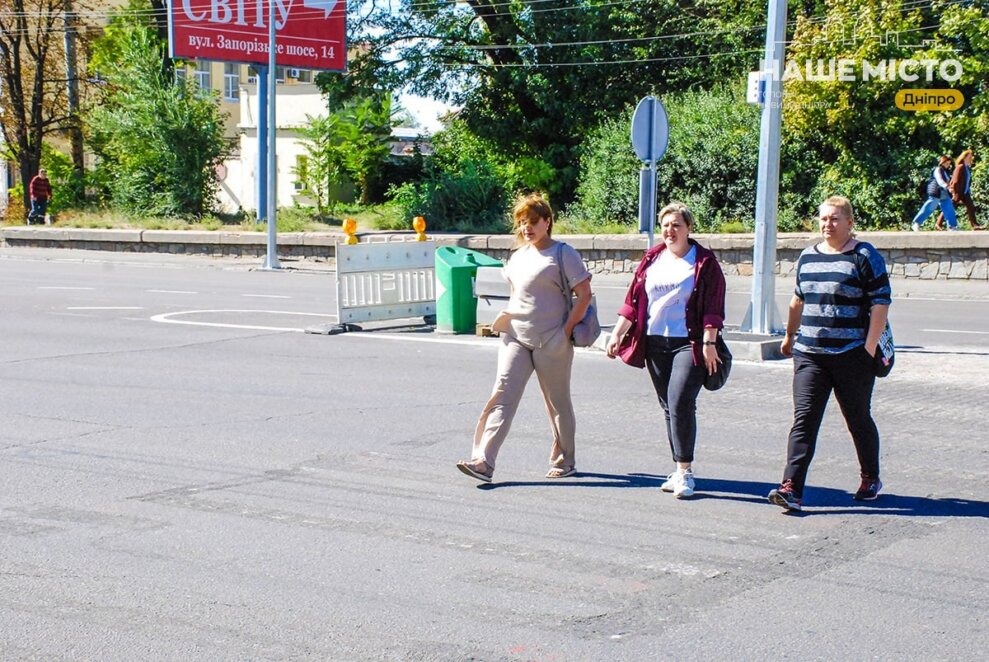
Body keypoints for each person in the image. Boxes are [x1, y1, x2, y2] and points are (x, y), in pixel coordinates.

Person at [456, 193, 592, 483]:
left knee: (557, 403)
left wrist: (566, 331)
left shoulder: (562, 253)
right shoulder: (518, 256)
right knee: (502, 397)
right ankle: (484, 461)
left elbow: (585, 295)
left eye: (532, 222)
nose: (526, 228)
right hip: (516, 336)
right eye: (521, 223)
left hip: (552, 340)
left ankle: (565, 460)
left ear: (547, 222)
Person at [768, 196, 891, 512]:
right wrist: (789, 336)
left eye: (835, 219)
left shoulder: (864, 256)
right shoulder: (808, 257)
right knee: (804, 420)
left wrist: (868, 348)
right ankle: (791, 487)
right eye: (823, 218)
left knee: (857, 418)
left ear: (850, 222)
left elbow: (881, 302)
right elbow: (798, 301)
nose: (827, 224)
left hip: (852, 354)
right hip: (810, 354)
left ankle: (870, 477)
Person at [604, 202, 726, 499]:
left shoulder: (704, 262)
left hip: (689, 342)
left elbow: (713, 307)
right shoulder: (652, 258)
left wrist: (710, 343)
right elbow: (633, 301)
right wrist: (617, 333)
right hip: (655, 342)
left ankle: (685, 472)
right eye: (666, 225)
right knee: (669, 408)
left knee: (680, 401)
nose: (670, 231)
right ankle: (678, 466)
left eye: (676, 225)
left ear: (689, 229)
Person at [937, 150, 982, 231]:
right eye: (969, 157)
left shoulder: (966, 168)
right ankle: (938, 224)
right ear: (964, 157)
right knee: (949, 207)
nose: (970, 158)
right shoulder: (960, 167)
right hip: (958, 192)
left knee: (971, 207)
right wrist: (954, 192)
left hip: (965, 192)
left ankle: (975, 225)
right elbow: (955, 180)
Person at [912, 155, 956, 231]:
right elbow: (940, 180)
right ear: (942, 162)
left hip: (944, 193)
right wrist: (947, 186)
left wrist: (950, 188)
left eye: (949, 163)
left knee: (949, 208)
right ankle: (916, 223)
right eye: (946, 163)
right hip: (936, 191)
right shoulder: (938, 169)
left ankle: (952, 226)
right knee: (929, 208)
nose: (948, 165)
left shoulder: (946, 171)